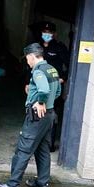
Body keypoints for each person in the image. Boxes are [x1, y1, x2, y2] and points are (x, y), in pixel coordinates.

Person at [0, 43, 61, 187]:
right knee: (42, 150)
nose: (27, 62)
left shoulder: (38, 71)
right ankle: (42, 182)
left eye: (27, 59)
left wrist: (40, 101)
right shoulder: (52, 69)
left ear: (31, 56)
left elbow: (44, 89)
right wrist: (41, 99)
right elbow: (57, 92)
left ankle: (13, 184)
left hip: (37, 117)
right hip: (49, 115)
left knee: (23, 150)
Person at [25, 21, 69, 151]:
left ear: (54, 34)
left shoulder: (60, 48)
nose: (46, 34)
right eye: (45, 32)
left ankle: (48, 144)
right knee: (34, 112)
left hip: (53, 86)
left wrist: (62, 78)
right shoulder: (37, 48)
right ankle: (34, 143)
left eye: (49, 33)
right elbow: (30, 67)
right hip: (37, 86)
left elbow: (70, 64)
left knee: (51, 115)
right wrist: (28, 82)